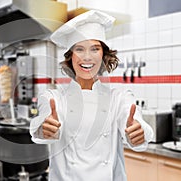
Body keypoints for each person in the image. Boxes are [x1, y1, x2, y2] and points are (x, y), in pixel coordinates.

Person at [29, 10, 153, 181]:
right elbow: (40, 127)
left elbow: (135, 124)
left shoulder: (119, 98)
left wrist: (138, 134)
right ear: (70, 56)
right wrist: (44, 130)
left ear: (104, 55)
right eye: (79, 49)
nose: (87, 57)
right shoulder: (53, 98)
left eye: (95, 49)